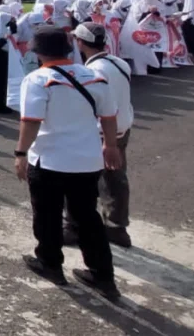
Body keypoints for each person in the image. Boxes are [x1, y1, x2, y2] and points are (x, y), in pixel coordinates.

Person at [15, 26, 122, 301]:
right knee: (87, 216)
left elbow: (31, 122)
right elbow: (109, 116)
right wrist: (110, 146)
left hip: (50, 159)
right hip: (87, 159)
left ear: (38, 52)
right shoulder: (95, 76)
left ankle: (51, 264)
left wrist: (20, 153)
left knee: (47, 214)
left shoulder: (38, 79)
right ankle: (103, 275)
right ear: (69, 48)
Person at [68, 23, 134, 249]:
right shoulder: (120, 63)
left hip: (102, 132)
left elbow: (96, 107)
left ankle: (75, 227)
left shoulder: (91, 72)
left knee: (78, 180)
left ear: (81, 42)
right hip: (122, 127)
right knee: (115, 179)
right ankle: (117, 227)